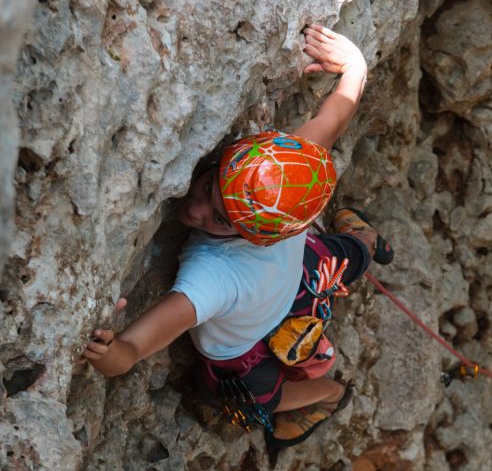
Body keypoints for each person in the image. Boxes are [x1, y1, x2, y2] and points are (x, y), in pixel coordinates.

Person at [83, 24, 392, 448]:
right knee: (351, 256)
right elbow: (333, 120)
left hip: (247, 344)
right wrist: (355, 68)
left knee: (246, 399)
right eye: (209, 188)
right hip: (302, 269)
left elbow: (128, 355)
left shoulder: (213, 278)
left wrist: (106, 352)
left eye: (220, 220)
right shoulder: (281, 180)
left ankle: (330, 395)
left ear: (259, 236)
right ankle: (363, 238)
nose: (195, 211)